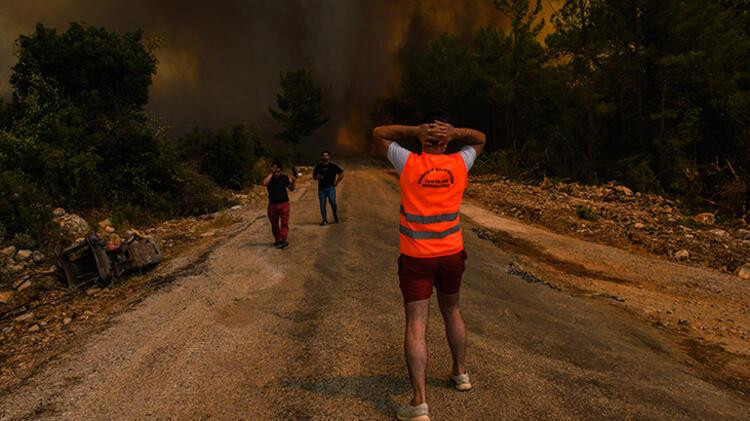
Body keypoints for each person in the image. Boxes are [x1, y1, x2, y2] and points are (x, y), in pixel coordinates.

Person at [373, 117, 485, 421]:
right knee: (452, 310)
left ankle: (419, 403)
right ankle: (460, 374)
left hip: (416, 257)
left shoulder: (407, 161)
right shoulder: (459, 164)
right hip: (451, 253)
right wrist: (456, 131)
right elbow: (480, 138)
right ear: (447, 143)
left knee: (416, 324)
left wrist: (413, 131)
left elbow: (378, 133)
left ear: (423, 141)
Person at [261, 162, 296, 249]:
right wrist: (271, 173)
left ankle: (282, 240)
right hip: (272, 205)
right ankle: (277, 240)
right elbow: (264, 183)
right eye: (275, 171)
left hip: (284, 204)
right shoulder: (269, 178)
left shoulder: (284, 178)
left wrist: (293, 182)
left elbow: (291, 189)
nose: (276, 173)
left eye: (278, 171)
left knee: (284, 223)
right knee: (274, 224)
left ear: (281, 171)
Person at [312, 150, 344, 225]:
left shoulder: (333, 166)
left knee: (332, 202)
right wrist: (317, 177)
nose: (325, 157)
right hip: (321, 189)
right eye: (324, 155)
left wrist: (337, 182)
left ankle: (335, 214)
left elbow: (342, 173)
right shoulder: (318, 166)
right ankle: (324, 220)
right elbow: (314, 176)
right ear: (321, 157)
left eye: (326, 155)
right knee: (322, 205)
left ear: (329, 157)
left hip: (330, 188)